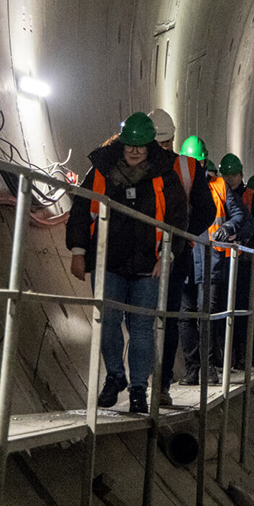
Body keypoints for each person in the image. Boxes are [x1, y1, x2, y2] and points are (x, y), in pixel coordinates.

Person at [66, 112, 187, 413]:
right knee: (107, 322)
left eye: (140, 146)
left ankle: (138, 389)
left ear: (151, 146)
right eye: (129, 145)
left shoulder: (164, 175)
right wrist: (79, 251)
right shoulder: (101, 171)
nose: (134, 151)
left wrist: (167, 255)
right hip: (109, 260)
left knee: (143, 328)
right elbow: (81, 210)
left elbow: (177, 220)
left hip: (148, 264)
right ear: (121, 143)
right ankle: (115, 377)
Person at [147, 109, 215, 404]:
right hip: (142, 254)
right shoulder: (136, 163)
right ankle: (142, 381)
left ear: (172, 138)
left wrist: (184, 236)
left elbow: (207, 211)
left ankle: (159, 384)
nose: (160, 148)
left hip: (175, 254)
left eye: (164, 142)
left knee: (168, 317)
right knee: (142, 318)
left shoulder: (187, 168)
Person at [176, 136, 253, 385]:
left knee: (205, 314)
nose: (196, 168)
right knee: (186, 315)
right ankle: (192, 368)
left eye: (199, 162)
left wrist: (229, 226)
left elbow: (239, 214)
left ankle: (208, 368)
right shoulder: (175, 180)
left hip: (210, 260)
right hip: (185, 258)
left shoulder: (219, 185)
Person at [221, 161, 254, 369]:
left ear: (241, 174)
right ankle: (227, 356)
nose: (230, 178)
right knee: (226, 310)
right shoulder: (221, 193)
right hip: (223, 260)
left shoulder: (251, 196)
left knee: (244, 309)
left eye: (234, 174)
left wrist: (250, 249)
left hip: (245, 262)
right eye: (227, 174)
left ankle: (245, 355)